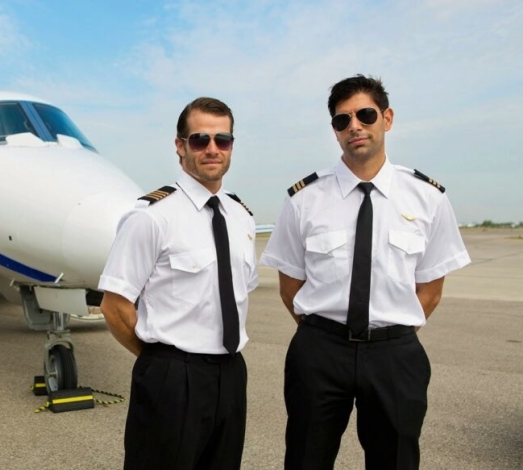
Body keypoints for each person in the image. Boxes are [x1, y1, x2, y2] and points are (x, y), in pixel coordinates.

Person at [260, 75, 471, 469]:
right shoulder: (304, 199)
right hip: (320, 351)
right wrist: (326, 333)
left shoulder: (428, 198)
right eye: (342, 121)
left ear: (387, 119)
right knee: (306, 458)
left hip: (394, 354)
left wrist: (385, 334)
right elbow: (290, 286)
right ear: (335, 132)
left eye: (365, 115)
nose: (354, 126)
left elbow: (430, 289)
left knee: (395, 460)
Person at [99, 97, 259, 469]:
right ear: (180, 145)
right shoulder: (152, 216)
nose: (212, 149)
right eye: (200, 139)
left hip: (232, 374)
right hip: (173, 376)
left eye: (223, 140)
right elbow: (115, 306)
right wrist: (161, 362)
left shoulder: (241, 216)